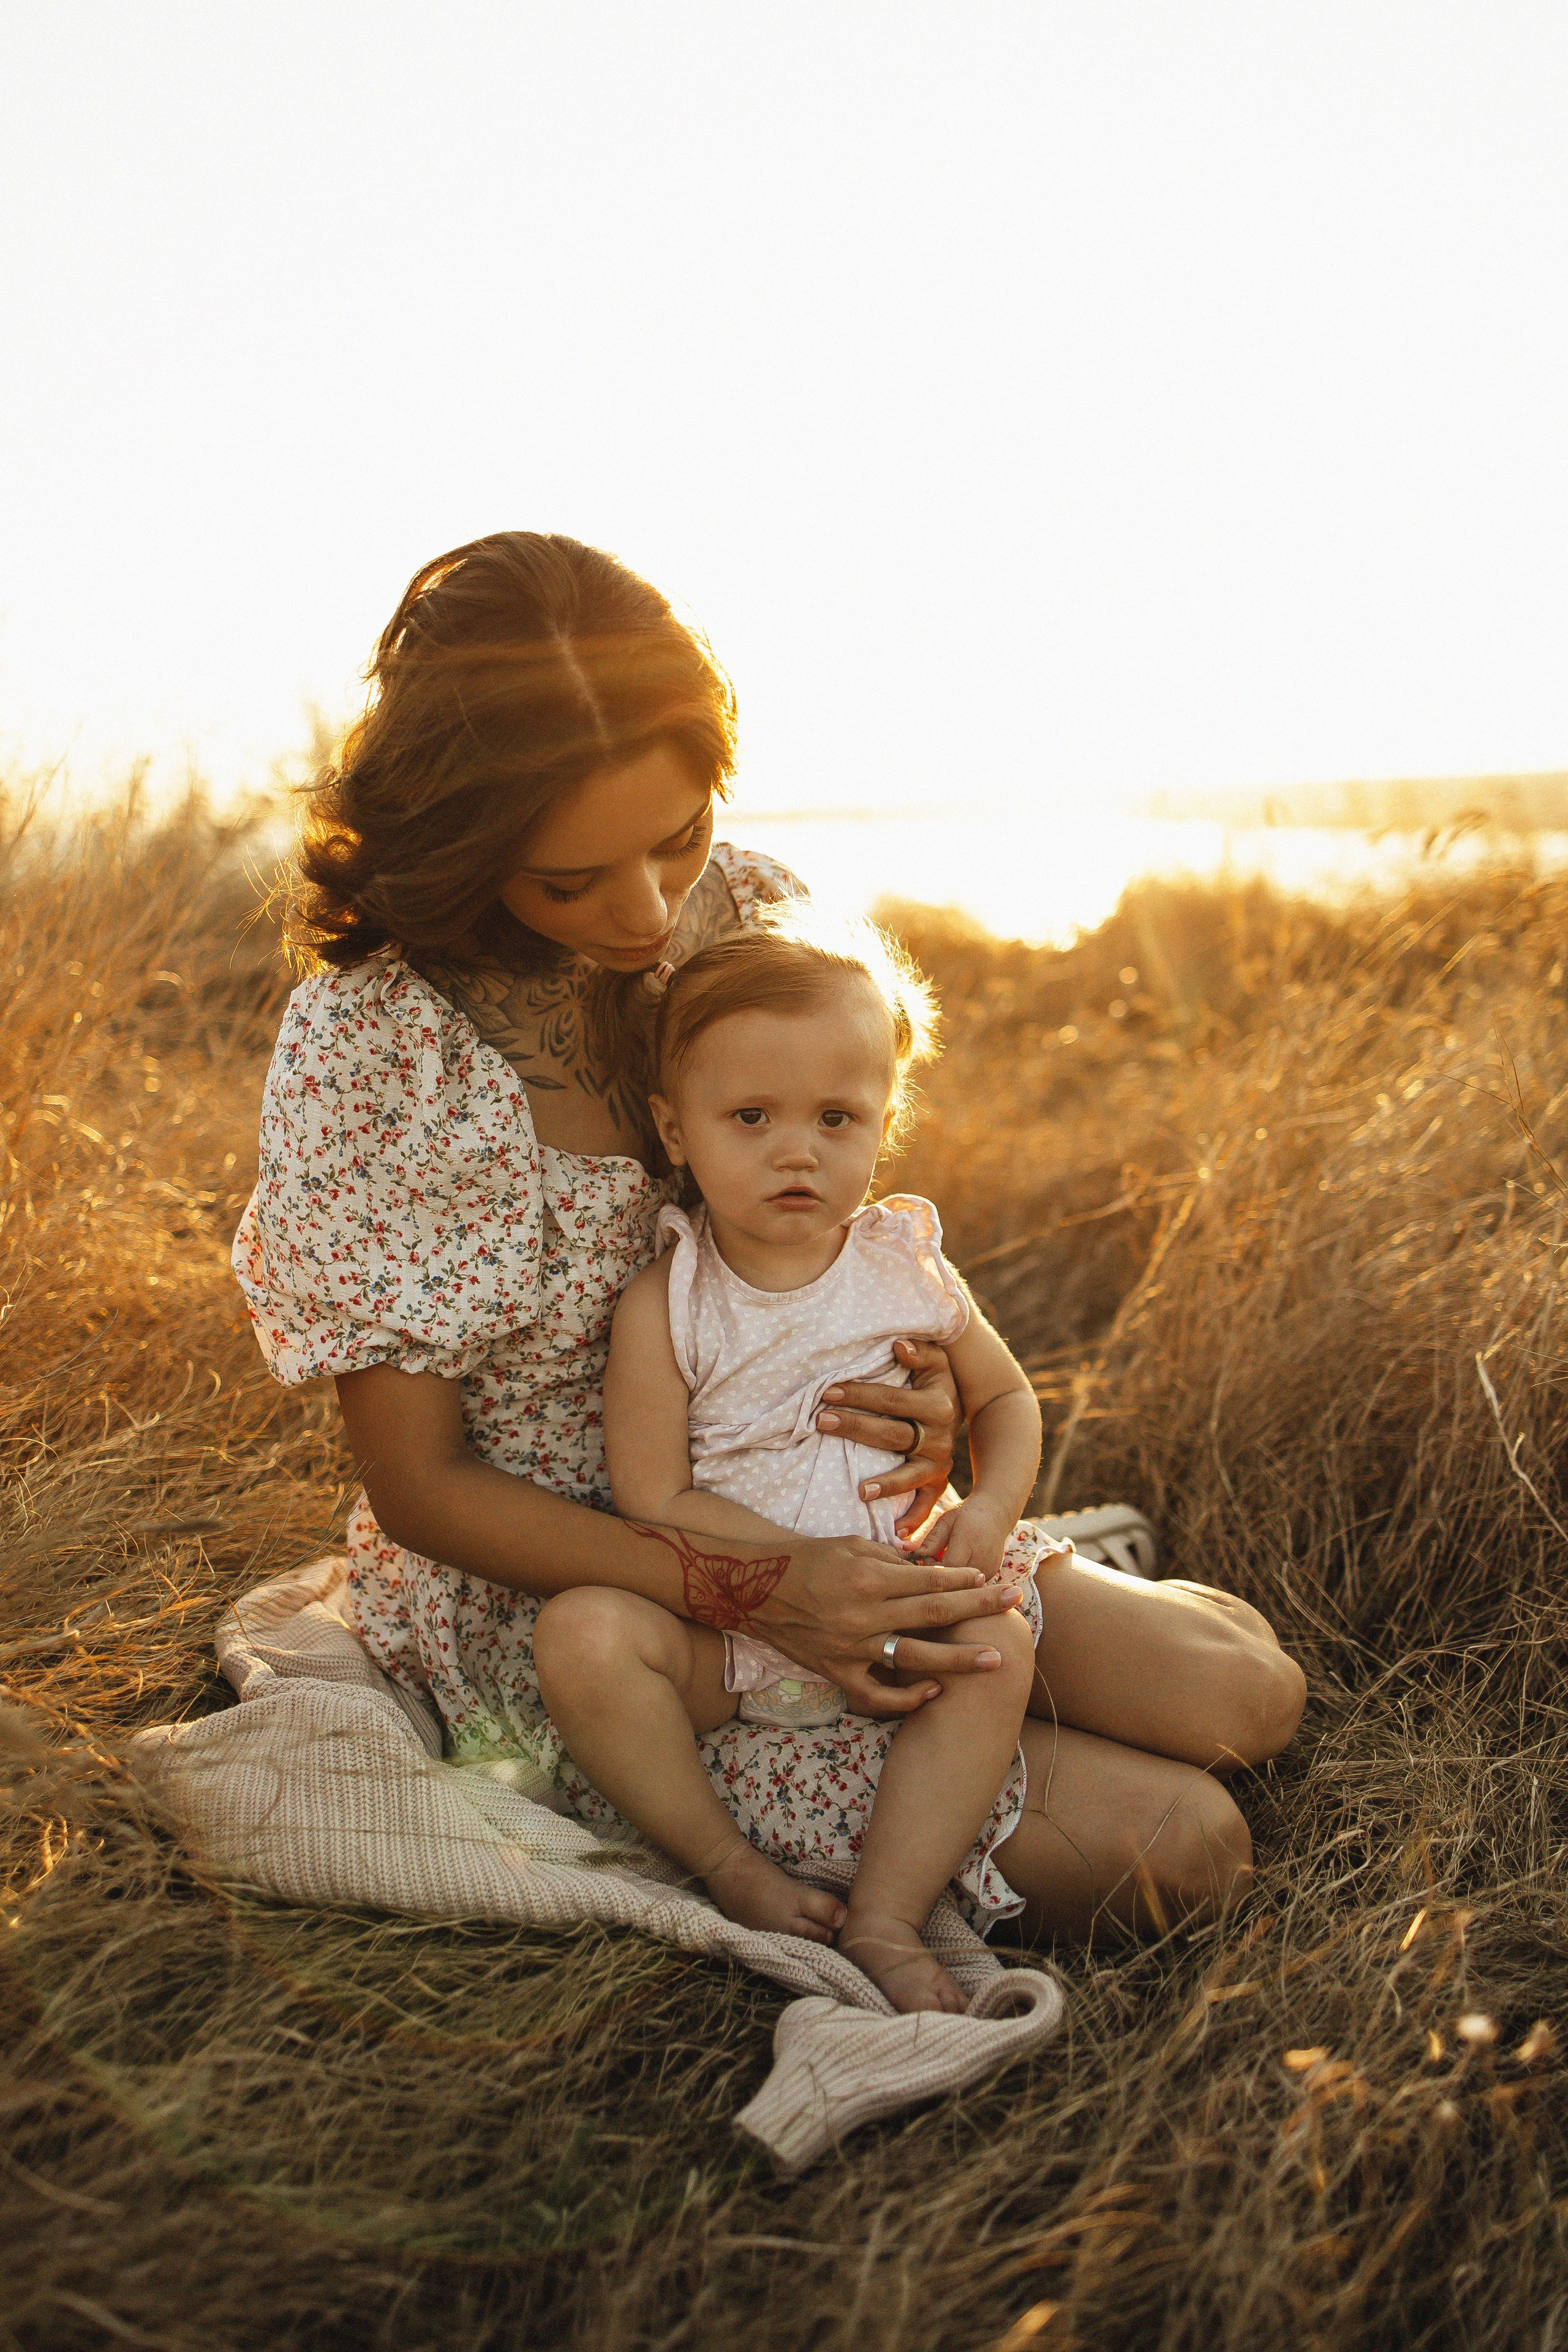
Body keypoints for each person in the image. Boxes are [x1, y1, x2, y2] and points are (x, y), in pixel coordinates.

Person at [233, 529, 1305, 1958]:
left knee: (1246, 1697)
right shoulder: (372, 1046)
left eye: (675, 837)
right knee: (1187, 1847)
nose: (647, 913)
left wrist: (925, 1393)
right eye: (570, 879)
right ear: (460, 841)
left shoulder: (740, 908)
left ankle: (1041, 1653)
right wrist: (756, 1590)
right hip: (596, 1601)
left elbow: (830, 1210)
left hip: (831, 1500)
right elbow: (421, 1485)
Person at [535, 913, 1082, 2010]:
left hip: (900, 1602)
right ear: (675, 1128)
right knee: (581, 1634)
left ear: (885, 1119)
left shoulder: (900, 1265)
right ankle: (729, 1866)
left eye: (838, 1118)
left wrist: (988, 1510)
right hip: (728, 1627)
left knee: (995, 1650)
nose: (798, 1151)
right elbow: (653, 1494)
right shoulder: (671, 1300)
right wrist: (794, 1571)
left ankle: (886, 1915)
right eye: (752, 1117)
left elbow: (1007, 1397)